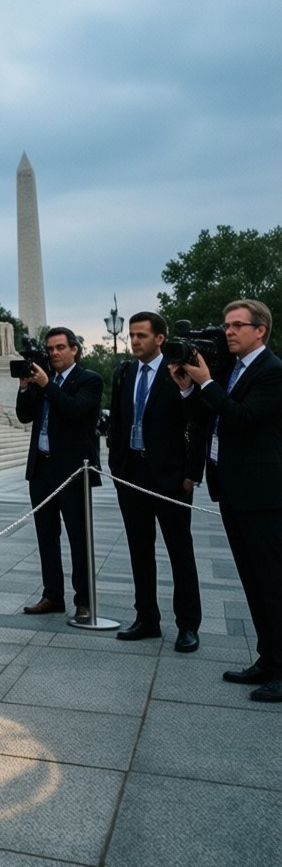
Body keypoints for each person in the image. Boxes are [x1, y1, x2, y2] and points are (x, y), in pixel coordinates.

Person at [170, 299, 282, 701]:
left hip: (264, 495)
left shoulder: (272, 371)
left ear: (260, 331)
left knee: (273, 583)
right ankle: (267, 660)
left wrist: (205, 383)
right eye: (226, 324)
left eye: (237, 325)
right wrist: (188, 391)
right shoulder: (233, 370)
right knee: (252, 582)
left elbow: (242, 418)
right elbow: (209, 419)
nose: (228, 331)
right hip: (233, 490)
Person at [107, 312, 204, 651]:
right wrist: (116, 466)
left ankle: (188, 625)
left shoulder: (177, 370)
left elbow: (198, 421)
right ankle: (147, 618)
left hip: (171, 477)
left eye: (141, 336)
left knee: (180, 551)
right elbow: (117, 421)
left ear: (159, 339)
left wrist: (193, 473)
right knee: (139, 549)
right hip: (132, 473)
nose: (134, 341)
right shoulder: (124, 372)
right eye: (131, 335)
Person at [16, 327, 103, 621]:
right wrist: (26, 386)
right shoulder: (44, 380)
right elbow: (24, 416)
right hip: (41, 469)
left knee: (79, 537)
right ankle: (52, 595)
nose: (54, 353)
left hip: (72, 471)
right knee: (46, 536)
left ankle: (85, 600)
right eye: (50, 349)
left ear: (74, 349)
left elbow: (75, 410)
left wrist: (46, 385)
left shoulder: (89, 380)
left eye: (60, 348)